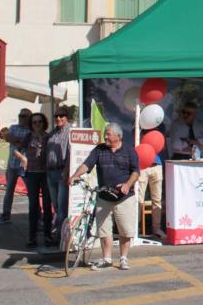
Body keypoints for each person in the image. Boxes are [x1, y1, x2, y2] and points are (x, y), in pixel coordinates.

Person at [69, 124, 139, 270]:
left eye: (108, 134)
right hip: (104, 196)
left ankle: (123, 258)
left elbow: (136, 172)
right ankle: (106, 258)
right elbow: (87, 164)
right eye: (105, 134)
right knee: (104, 229)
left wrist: (127, 184)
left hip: (124, 197)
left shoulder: (129, 150)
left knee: (125, 229)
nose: (105, 137)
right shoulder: (99, 149)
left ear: (118, 136)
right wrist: (76, 175)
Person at [19, 112, 54, 248]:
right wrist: (23, 158)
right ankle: (32, 237)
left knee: (47, 205)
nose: (37, 124)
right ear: (31, 124)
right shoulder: (28, 137)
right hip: (32, 174)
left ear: (43, 123)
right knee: (33, 206)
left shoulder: (48, 137)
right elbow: (17, 150)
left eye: (39, 122)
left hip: (46, 173)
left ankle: (47, 235)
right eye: (34, 122)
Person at [0, 108, 31, 224]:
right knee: (9, 191)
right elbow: (8, 137)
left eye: (25, 116)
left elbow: (29, 142)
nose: (22, 118)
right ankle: (5, 215)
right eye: (20, 115)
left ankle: (37, 217)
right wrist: (22, 141)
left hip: (25, 165)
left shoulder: (31, 130)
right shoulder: (13, 127)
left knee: (31, 192)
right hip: (12, 165)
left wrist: (18, 141)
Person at [45, 105, 72, 241]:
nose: (58, 118)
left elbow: (71, 154)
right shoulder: (53, 133)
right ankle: (60, 232)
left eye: (61, 116)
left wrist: (66, 172)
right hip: (51, 172)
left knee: (62, 207)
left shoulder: (71, 132)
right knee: (55, 205)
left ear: (67, 117)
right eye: (56, 116)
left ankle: (59, 237)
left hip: (62, 172)